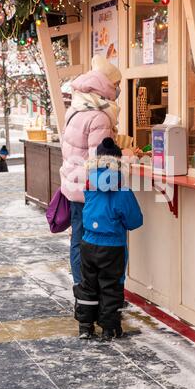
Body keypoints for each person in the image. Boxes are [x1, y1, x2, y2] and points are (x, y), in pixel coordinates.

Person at [60, 55, 122, 286]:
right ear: (105, 86)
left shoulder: (75, 109)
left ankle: (81, 290)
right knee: (100, 243)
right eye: (115, 85)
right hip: (91, 190)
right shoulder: (99, 117)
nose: (117, 91)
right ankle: (96, 293)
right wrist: (127, 155)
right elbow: (102, 159)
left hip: (73, 186)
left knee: (78, 239)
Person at [74, 138, 143, 340]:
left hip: (88, 244)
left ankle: (85, 327)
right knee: (111, 287)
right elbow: (134, 221)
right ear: (119, 164)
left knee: (88, 285)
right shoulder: (122, 192)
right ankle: (109, 328)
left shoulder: (90, 187)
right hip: (113, 247)